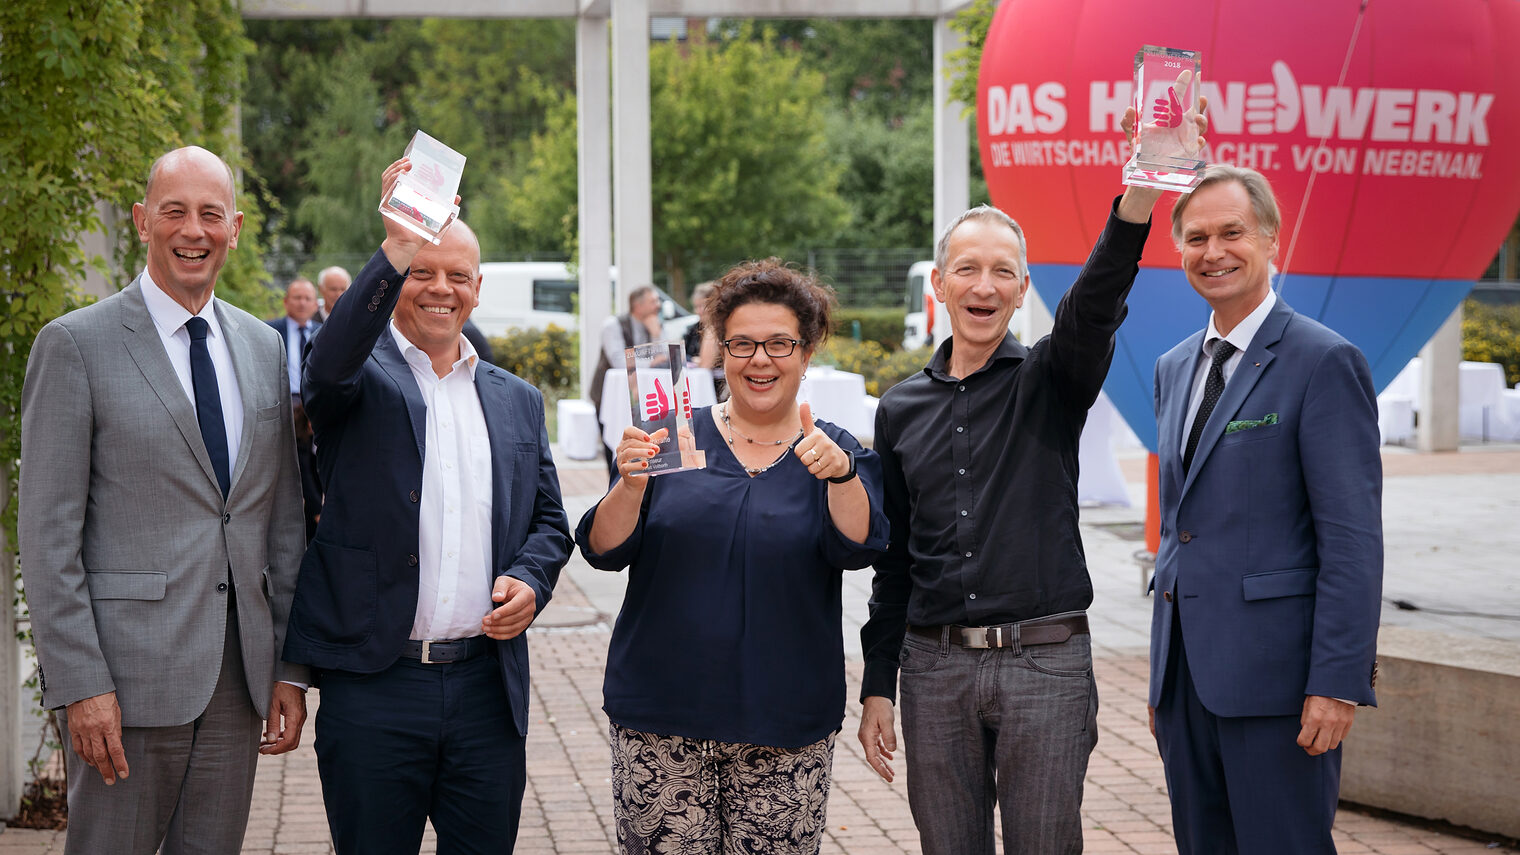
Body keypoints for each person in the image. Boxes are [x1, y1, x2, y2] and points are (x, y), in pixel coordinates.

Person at [856, 102, 1203, 854]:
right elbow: (893, 562)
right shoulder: (900, 407)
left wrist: (1141, 187)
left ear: (1021, 291)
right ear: (941, 286)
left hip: (1044, 665)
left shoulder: (1053, 375)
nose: (985, 284)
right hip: (933, 666)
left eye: (1003, 272)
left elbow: (1096, 302)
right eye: (968, 269)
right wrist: (879, 678)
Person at [19, 145, 308, 854]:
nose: (193, 229)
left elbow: (281, 518)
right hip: (123, 685)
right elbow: (48, 539)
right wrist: (80, 683)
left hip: (237, 683)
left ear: (235, 228)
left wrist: (288, 667)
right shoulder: (75, 345)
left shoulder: (263, 346)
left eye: (211, 214)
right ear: (143, 221)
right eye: (174, 211)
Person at [282, 158, 572, 855]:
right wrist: (397, 244)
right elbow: (326, 363)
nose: (441, 287)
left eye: (458, 274)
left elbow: (549, 522)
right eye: (423, 271)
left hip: (484, 690)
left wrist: (530, 580)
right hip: (376, 687)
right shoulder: (356, 380)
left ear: (478, 288)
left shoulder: (516, 399)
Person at [577, 259, 888, 854]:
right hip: (661, 718)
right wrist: (630, 486)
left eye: (779, 343)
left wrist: (843, 477)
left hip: (784, 720)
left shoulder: (832, 449)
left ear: (807, 350)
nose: (760, 359)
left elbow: (859, 547)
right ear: (719, 349)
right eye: (742, 343)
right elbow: (602, 550)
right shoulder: (672, 437)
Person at [1148, 165, 1382, 854]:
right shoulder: (1173, 366)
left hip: (1282, 686)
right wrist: (1165, 681)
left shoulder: (1323, 361)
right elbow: (1179, 525)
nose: (1212, 251)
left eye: (1231, 233)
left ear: (1272, 239)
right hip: (1186, 680)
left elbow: (1352, 539)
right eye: (1196, 238)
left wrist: (1338, 681)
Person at [267, 277, 323, 541]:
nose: (302, 303)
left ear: (315, 304)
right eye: (297, 297)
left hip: (315, 404)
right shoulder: (268, 331)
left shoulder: (326, 332)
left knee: (314, 459)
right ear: (286, 301)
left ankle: (317, 508)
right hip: (284, 401)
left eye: (307, 298)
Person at [591, 285, 664, 476]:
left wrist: (656, 334)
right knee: (613, 448)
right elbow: (618, 361)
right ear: (637, 306)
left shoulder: (654, 324)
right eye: (653, 301)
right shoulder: (613, 325)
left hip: (644, 397)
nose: (659, 305)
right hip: (611, 395)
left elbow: (664, 360)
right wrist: (651, 362)